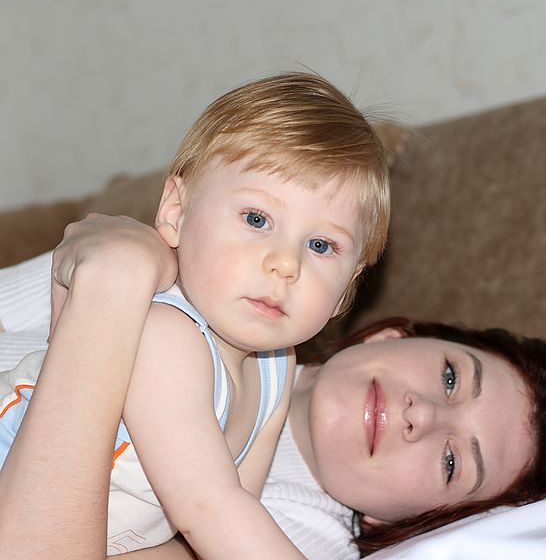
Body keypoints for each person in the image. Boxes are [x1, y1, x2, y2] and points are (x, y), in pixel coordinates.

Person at [0, 217, 546, 560]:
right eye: (451, 377)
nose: (420, 416)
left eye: (452, 461)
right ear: (391, 336)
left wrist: (112, 281)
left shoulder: (293, 536)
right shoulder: (229, 286)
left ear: (398, 520)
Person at [0, 71, 390, 560]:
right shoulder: (165, 336)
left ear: (344, 294)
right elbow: (208, 508)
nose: (285, 264)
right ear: (175, 213)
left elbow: (229, 516)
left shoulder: (276, 366)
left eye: (320, 245)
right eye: (256, 219)